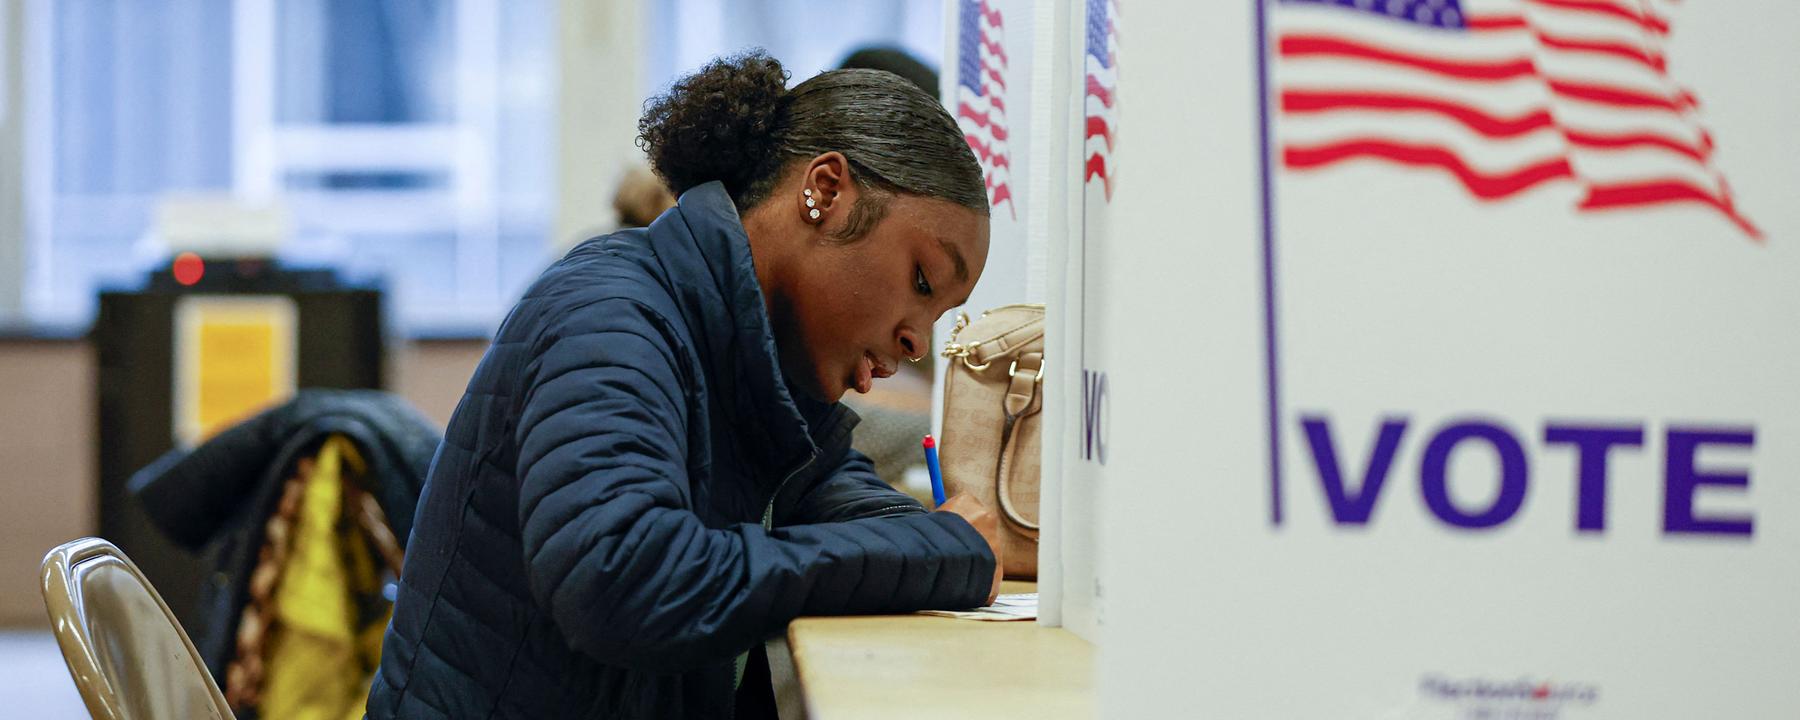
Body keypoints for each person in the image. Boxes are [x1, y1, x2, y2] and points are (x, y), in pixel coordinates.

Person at [364, 51, 1004, 719]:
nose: (918, 341)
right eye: (922, 281)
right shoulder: (612, 316)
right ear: (826, 192)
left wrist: (969, 543)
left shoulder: (750, 365)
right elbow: (621, 579)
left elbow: (841, 501)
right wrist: (940, 546)